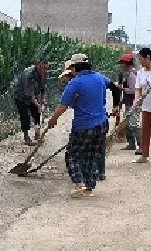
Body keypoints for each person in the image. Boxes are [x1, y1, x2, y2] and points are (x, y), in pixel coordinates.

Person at [48, 54, 119, 196]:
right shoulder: (100, 77)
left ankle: (79, 183)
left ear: (75, 67)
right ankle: (89, 187)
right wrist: (116, 106)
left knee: (72, 155)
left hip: (84, 126)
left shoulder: (75, 83)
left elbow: (62, 107)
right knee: (92, 156)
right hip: (101, 124)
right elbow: (115, 88)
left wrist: (53, 119)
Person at [14, 59, 48, 145]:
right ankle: (26, 138)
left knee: (38, 114)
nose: (43, 70)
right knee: (25, 116)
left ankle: (37, 134)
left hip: (33, 96)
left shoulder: (44, 73)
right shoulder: (29, 74)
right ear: (37, 65)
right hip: (21, 97)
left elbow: (43, 89)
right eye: (41, 67)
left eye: (45, 68)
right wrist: (38, 105)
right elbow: (30, 94)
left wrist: (42, 101)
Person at [117, 54, 141, 154]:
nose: (121, 66)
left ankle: (141, 146)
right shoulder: (127, 74)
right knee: (128, 124)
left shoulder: (132, 75)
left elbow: (133, 90)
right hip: (129, 102)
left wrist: (120, 88)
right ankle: (131, 144)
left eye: (122, 63)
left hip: (133, 104)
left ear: (126, 64)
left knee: (134, 124)